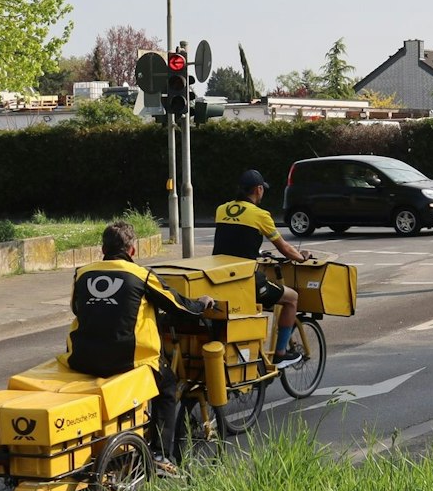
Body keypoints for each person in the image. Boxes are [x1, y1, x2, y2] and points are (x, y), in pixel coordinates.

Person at [67, 220, 212, 474]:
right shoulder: (141, 275)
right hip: (124, 359)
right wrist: (201, 304)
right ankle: (160, 455)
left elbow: (76, 309)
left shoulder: (82, 273)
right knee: (167, 385)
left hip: (81, 357)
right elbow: (177, 304)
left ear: (102, 249)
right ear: (132, 250)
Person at [213, 169, 310, 366]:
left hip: (220, 278)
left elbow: (234, 240)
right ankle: (281, 353)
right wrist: (301, 258)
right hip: (244, 280)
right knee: (292, 299)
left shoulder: (221, 209)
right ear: (258, 190)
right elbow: (284, 248)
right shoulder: (260, 215)